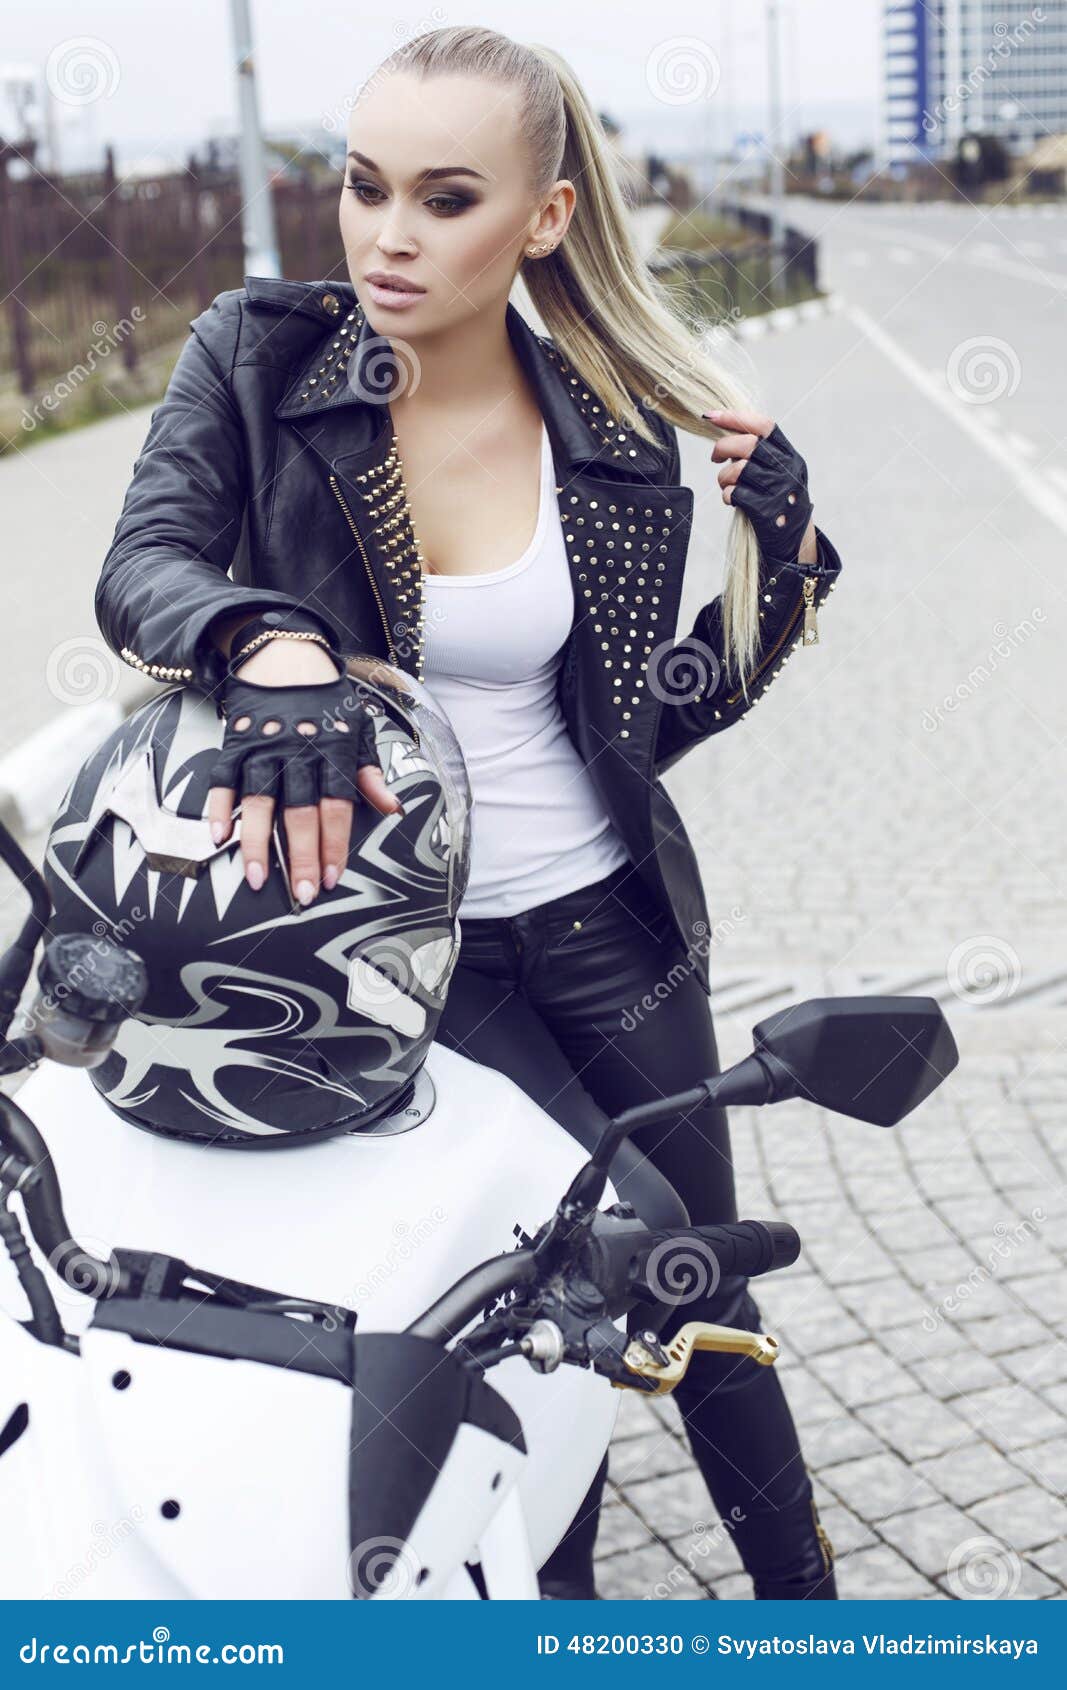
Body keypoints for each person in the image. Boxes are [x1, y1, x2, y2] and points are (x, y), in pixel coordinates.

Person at [93, 25, 843, 1598]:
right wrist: (268, 639)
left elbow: (659, 717)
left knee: (695, 1294)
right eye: (363, 187)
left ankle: (814, 1620)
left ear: (546, 219)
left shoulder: (614, 427)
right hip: (387, 964)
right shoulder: (258, 357)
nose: (386, 236)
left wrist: (786, 571)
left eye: (444, 199)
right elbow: (142, 566)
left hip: (608, 933)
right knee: (497, 1319)